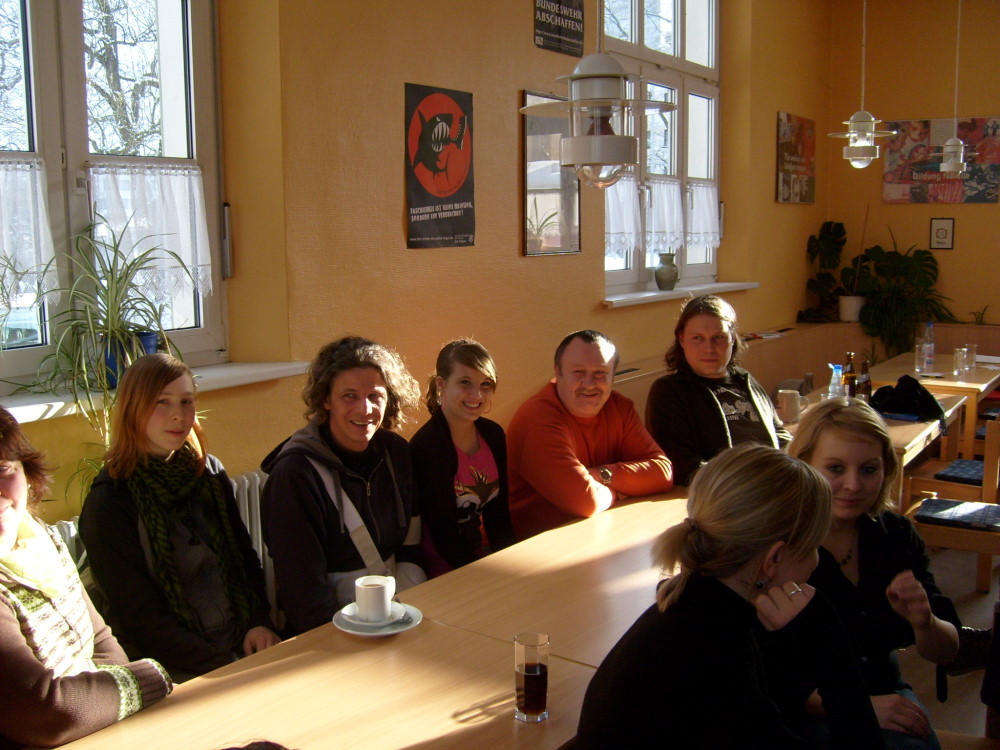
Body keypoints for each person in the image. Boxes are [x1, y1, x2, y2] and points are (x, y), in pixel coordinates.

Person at [575, 443, 882, 749]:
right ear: (774, 559)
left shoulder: (694, 606)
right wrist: (834, 652)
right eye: (814, 546)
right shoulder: (710, 665)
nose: (817, 559)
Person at [80, 354, 279, 682]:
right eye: (162, 402)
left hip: (239, 641)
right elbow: (139, 618)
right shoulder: (111, 501)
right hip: (171, 664)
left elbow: (244, 559)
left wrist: (259, 622)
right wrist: (222, 663)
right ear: (134, 408)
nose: (178, 415)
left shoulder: (208, 472)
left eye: (187, 401)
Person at [787, 397, 960, 750]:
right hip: (802, 709)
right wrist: (858, 707)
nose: (853, 485)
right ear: (802, 465)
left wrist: (925, 622)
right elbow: (756, 675)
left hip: (883, 692)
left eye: (868, 469)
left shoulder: (895, 535)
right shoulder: (779, 543)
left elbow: (946, 651)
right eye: (835, 468)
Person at [0, 407, 172, 748]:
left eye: (4, 470)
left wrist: (98, 703)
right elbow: (44, 711)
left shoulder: (40, 537)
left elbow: (101, 642)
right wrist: (151, 677)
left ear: (26, 472)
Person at [261, 336, 426, 635]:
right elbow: (303, 594)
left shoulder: (397, 453)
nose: (365, 409)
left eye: (375, 396)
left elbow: (411, 548)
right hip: (329, 627)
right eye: (349, 396)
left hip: (395, 612)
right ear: (326, 399)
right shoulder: (294, 476)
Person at [507, 329, 673, 540]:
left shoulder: (619, 407)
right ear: (558, 372)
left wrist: (601, 475)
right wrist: (620, 491)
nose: (589, 383)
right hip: (537, 544)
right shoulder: (538, 420)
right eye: (578, 372)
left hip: (600, 531)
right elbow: (585, 501)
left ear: (613, 375)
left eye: (600, 373)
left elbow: (662, 473)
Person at [646, 294, 790, 485]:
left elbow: (779, 434)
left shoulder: (744, 379)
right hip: (726, 491)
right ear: (682, 340)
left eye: (718, 338)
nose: (709, 348)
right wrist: (741, 483)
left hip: (777, 480)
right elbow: (680, 463)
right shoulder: (669, 391)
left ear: (733, 339)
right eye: (698, 338)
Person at [409, 339, 515, 577]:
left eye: (485, 384)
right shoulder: (427, 446)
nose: (477, 395)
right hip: (442, 571)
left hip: (479, 558)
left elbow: (499, 516)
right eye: (465, 382)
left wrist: (513, 567)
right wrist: (485, 575)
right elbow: (443, 537)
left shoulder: (493, 434)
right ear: (441, 384)